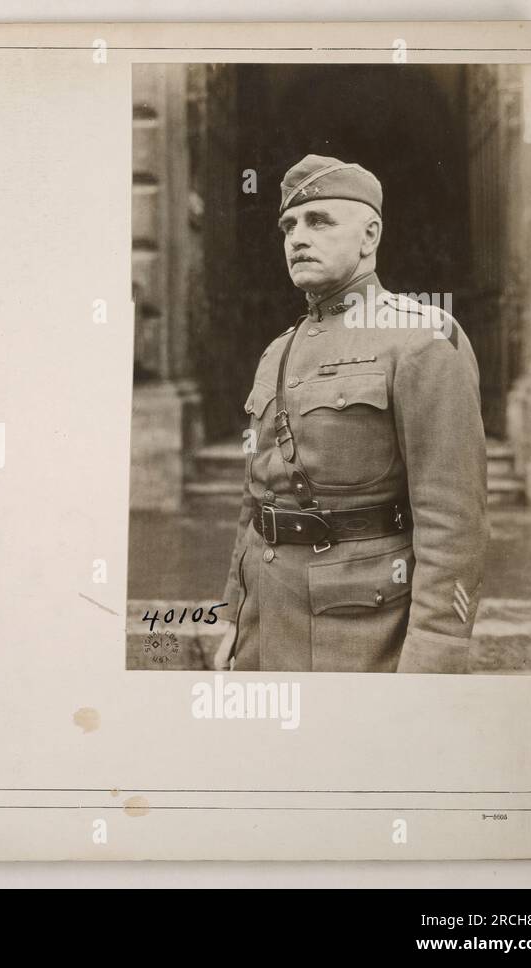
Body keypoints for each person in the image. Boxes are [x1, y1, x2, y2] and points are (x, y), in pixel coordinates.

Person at [213, 154, 489, 673]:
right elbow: (255, 500)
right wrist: (232, 613)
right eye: (289, 225)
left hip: (362, 633)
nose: (298, 237)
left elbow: (453, 519)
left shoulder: (422, 338)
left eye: (319, 221)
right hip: (263, 625)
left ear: (369, 236)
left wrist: (434, 654)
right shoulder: (278, 351)